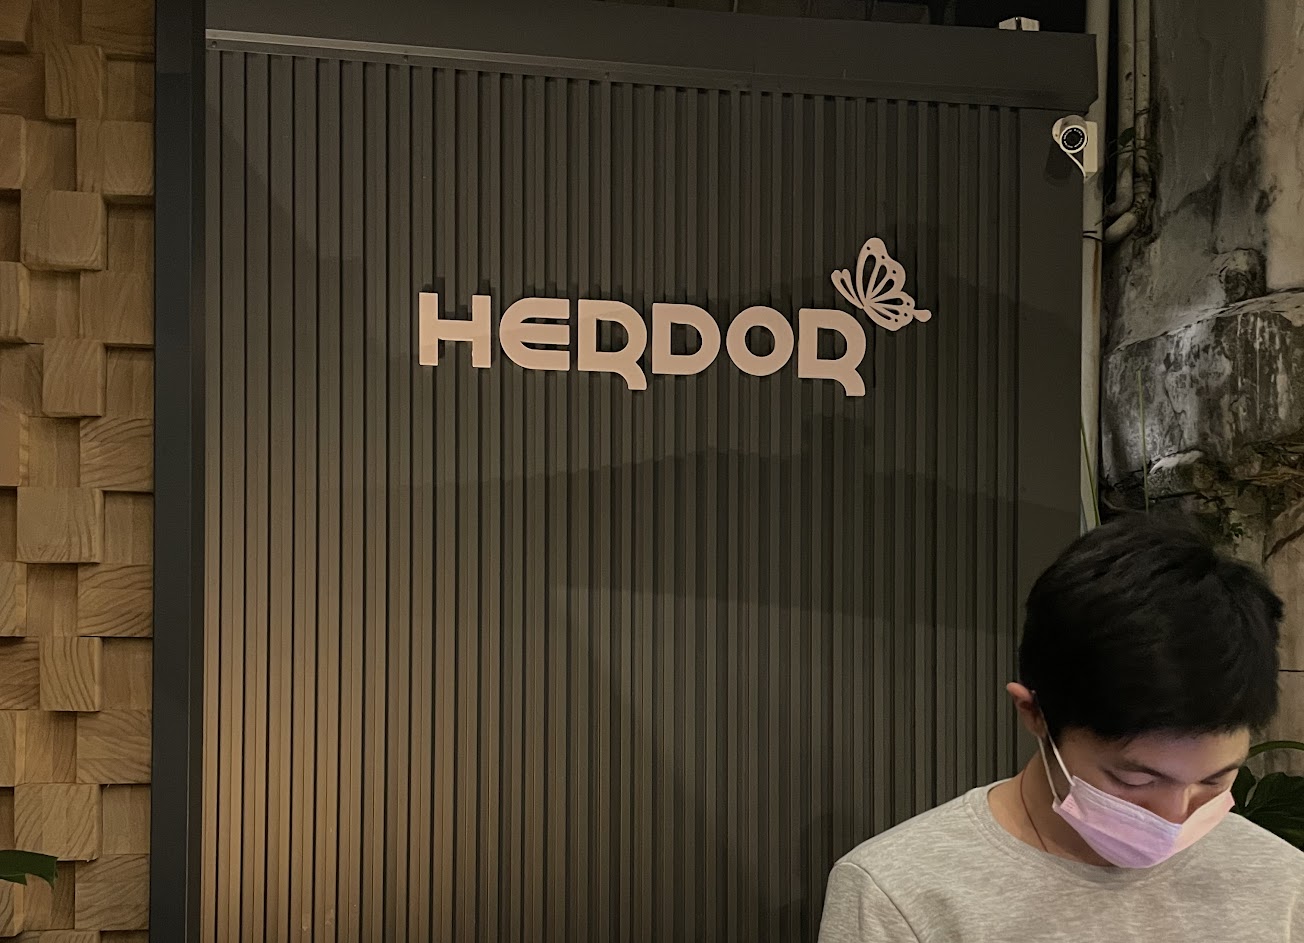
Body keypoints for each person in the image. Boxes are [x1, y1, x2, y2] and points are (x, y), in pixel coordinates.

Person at [817, 511, 1303, 941]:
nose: (1173, 817)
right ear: (1034, 713)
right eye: (1135, 780)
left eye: (1214, 781)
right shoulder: (899, 893)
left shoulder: (1283, 883)